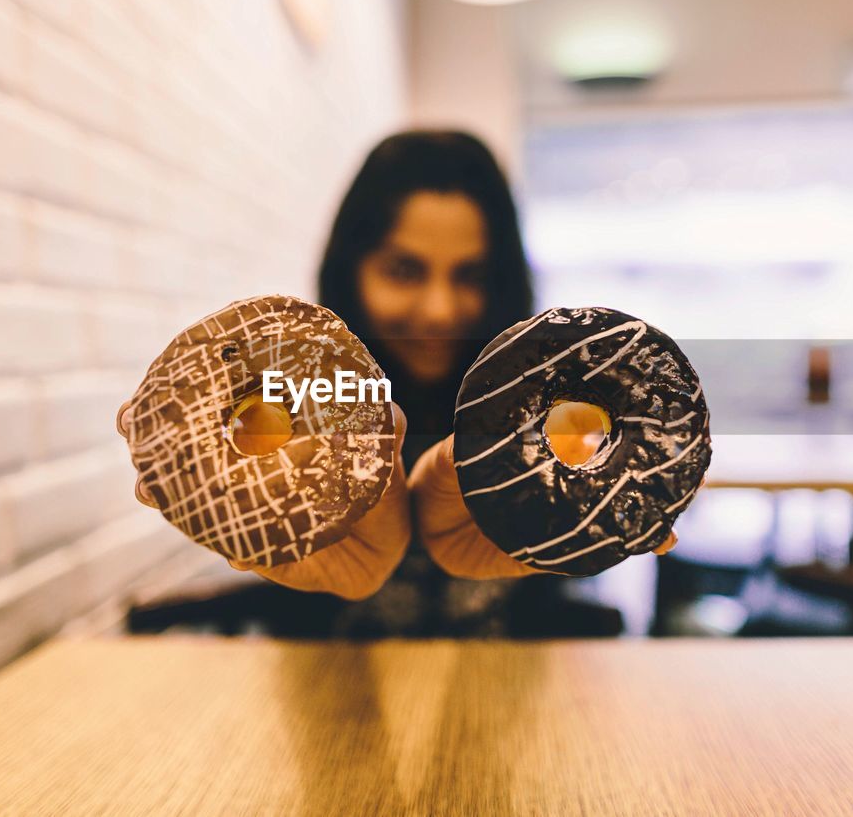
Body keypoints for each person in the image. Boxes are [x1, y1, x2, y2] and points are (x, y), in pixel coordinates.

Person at [138, 130, 621, 637]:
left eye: (470, 276)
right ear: (352, 272)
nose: (439, 310)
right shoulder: (291, 412)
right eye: (405, 271)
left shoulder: (539, 418)